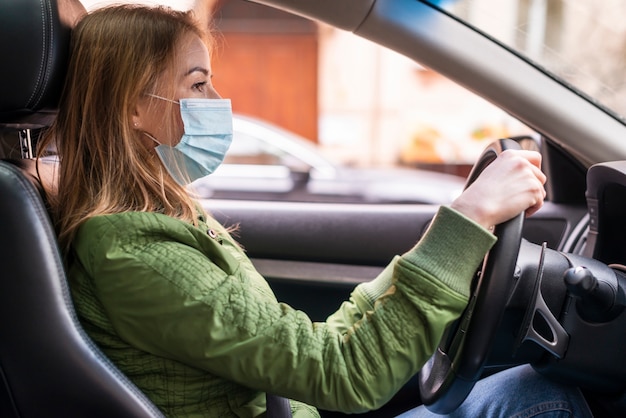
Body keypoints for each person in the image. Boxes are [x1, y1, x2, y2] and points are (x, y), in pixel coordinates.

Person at [36, 4, 591, 418]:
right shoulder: (140, 255)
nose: (217, 103)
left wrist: (447, 241)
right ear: (133, 107)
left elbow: (316, 346)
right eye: (198, 84)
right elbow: (344, 371)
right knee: (547, 400)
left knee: (531, 392)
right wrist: (468, 221)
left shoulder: (156, 223)